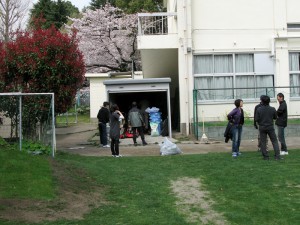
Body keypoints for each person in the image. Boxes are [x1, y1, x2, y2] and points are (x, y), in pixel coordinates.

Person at [255, 95, 281, 160]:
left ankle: (266, 157)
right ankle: (277, 156)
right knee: (274, 141)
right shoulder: (272, 109)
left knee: (263, 142)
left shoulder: (259, 109)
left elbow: (256, 119)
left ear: (262, 101)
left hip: (262, 127)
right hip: (270, 127)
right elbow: (275, 117)